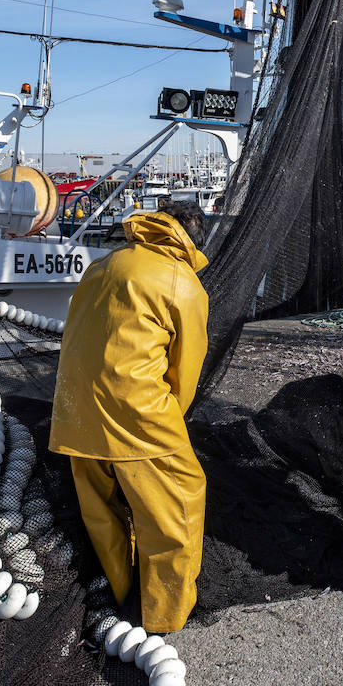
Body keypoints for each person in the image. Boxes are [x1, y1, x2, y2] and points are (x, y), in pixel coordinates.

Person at [49, 202, 210, 633]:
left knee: (103, 511)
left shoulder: (102, 265)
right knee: (180, 503)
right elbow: (185, 372)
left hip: (72, 412)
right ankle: (164, 618)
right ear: (192, 236)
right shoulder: (183, 283)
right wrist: (169, 422)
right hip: (136, 414)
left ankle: (121, 595)